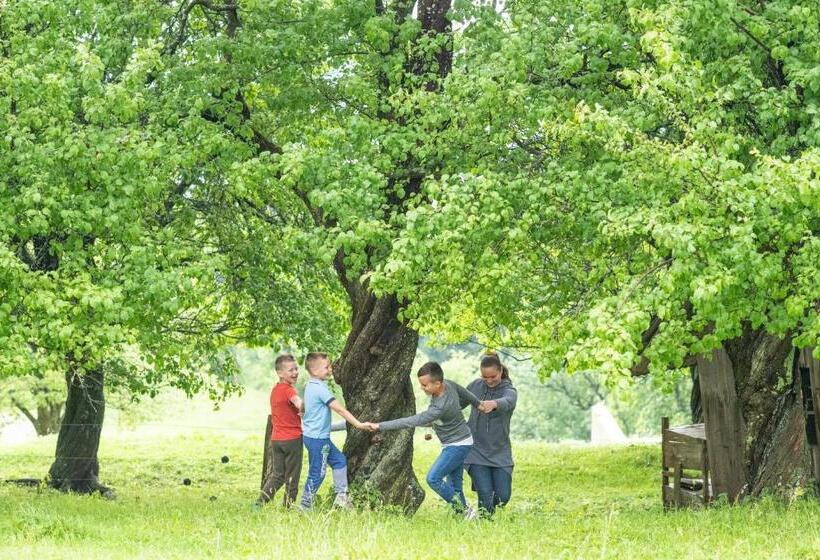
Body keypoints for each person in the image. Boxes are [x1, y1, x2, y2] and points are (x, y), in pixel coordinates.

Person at [363, 361, 482, 518]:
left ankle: (465, 510)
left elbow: (411, 421)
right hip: (459, 440)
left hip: (457, 445)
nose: (422, 388)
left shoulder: (439, 407)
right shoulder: (449, 384)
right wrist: (478, 404)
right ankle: (463, 516)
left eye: (425, 385)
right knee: (455, 485)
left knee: (433, 478)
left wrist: (379, 426)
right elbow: (465, 394)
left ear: (438, 383)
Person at [300, 352, 365, 510]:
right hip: (318, 439)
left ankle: (341, 497)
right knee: (318, 473)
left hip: (316, 437)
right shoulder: (320, 389)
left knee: (339, 461)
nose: (330, 369)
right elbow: (340, 410)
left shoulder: (312, 385)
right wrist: (358, 424)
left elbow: (305, 405)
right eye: (326, 367)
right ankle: (304, 505)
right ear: (315, 371)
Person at [464, 352, 517, 516]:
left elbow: (508, 401)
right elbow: (457, 403)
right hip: (475, 450)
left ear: (500, 371)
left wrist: (493, 403)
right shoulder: (475, 386)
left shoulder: (509, 390)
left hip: (500, 452)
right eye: (484, 377)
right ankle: (484, 522)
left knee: (503, 497)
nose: (489, 380)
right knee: (486, 496)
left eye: (493, 376)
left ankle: (485, 513)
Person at [257, 353, 304, 508]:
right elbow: (299, 404)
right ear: (280, 373)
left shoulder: (275, 390)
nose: (295, 373)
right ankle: (288, 508)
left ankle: (259, 503)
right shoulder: (289, 390)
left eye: (296, 369)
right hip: (292, 440)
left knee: (277, 475)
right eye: (291, 370)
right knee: (292, 476)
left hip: (277, 439)